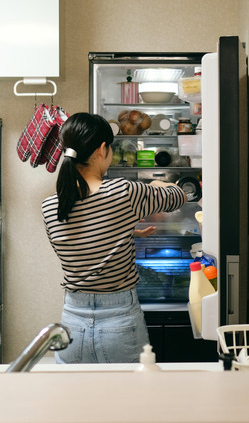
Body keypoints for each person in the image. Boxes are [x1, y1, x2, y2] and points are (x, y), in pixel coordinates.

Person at [41, 112, 187, 364]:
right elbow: (178, 196)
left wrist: (125, 230)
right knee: (128, 402)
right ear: (101, 150)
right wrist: (155, 185)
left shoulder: (50, 206)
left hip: (71, 325)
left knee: (75, 402)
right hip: (119, 322)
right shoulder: (123, 192)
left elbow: (82, 242)